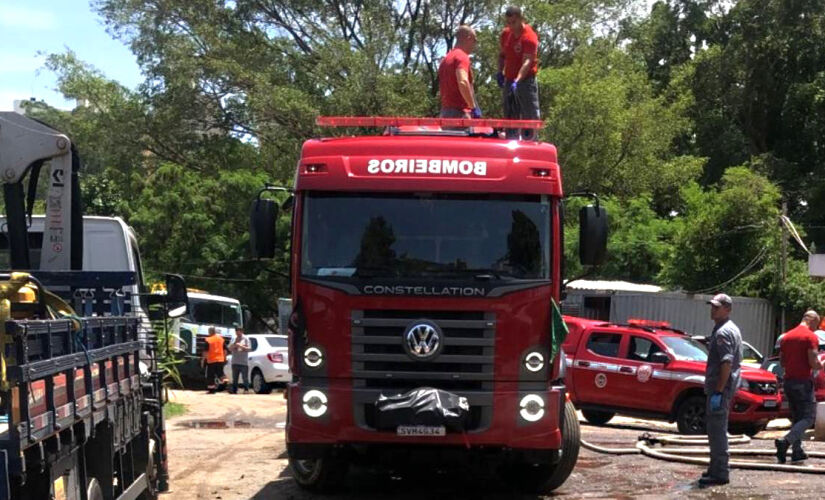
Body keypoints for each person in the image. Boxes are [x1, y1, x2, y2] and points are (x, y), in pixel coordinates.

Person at [700, 293, 742, 487]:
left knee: (717, 431)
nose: (713, 309)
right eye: (712, 306)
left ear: (727, 309)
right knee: (715, 430)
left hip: (721, 389)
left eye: (717, 307)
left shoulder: (724, 332)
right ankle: (715, 467)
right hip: (725, 388)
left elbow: (726, 363)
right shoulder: (728, 329)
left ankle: (720, 472)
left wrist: (718, 390)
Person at [776, 310, 823, 463]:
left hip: (788, 382)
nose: (816, 328)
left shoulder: (786, 337)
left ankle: (797, 451)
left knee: (797, 418)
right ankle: (786, 441)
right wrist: (822, 362)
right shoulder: (810, 337)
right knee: (809, 417)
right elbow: (814, 364)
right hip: (803, 382)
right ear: (813, 320)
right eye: (816, 324)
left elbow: (782, 362)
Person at [497, 6, 540, 139]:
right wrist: (500, 72)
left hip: (526, 80)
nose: (511, 26)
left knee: (529, 116)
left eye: (514, 22)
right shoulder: (506, 34)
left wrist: (518, 80)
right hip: (509, 79)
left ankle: (530, 141)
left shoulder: (529, 37)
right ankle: (511, 141)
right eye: (508, 23)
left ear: (521, 19)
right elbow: (502, 55)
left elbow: (527, 62)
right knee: (510, 115)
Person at [438, 25, 480, 119]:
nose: (475, 44)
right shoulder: (461, 57)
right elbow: (463, 82)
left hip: (445, 113)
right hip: (459, 114)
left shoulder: (446, 59)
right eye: (475, 40)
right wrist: (473, 107)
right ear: (469, 38)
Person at [202, 327, 227, 394]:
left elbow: (205, 352)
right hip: (220, 359)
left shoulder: (208, 340)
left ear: (210, 332)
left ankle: (211, 390)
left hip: (211, 360)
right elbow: (225, 350)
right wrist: (225, 358)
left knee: (210, 375)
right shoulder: (221, 339)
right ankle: (225, 380)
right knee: (220, 373)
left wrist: (203, 360)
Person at [229, 327, 252, 394]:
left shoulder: (246, 338)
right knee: (235, 378)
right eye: (236, 331)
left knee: (245, 377)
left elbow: (249, 349)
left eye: (238, 331)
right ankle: (234, 390)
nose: (237, 333)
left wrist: (241, 346)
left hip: (244, 362)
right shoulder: (233, 338)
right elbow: (229, 348)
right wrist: (235, 344)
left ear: (242, 331)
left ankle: (246, 390)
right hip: (235, 361)